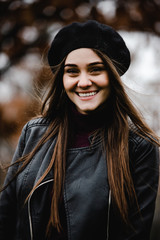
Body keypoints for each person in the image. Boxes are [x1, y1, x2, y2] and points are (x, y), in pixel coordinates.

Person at [0, 20, 159, 240]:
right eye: (72, 72)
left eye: (95, 70)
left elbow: (135, 234)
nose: (83, 82)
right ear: (62, 80)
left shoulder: (139, 149)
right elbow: (5, 216)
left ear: (112, 77)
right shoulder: (33, 134)